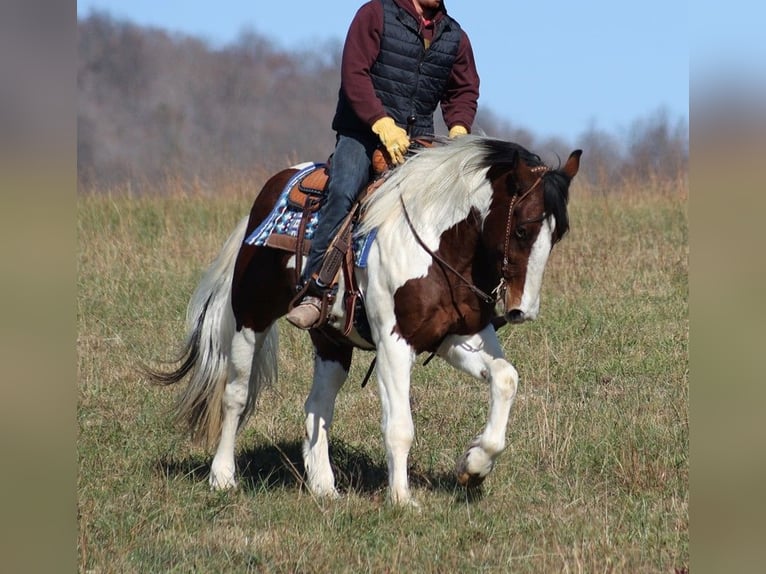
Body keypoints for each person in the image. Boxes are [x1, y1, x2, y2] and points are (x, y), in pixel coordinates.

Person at [285, 0, 480, 329]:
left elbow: (464, 89)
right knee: (345, 190)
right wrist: (382, 123)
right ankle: (316, 290)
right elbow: (354, 74)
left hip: (417, 142)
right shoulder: (375, 13)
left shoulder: (454, 36)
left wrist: (459, 127)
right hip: (360, 134)